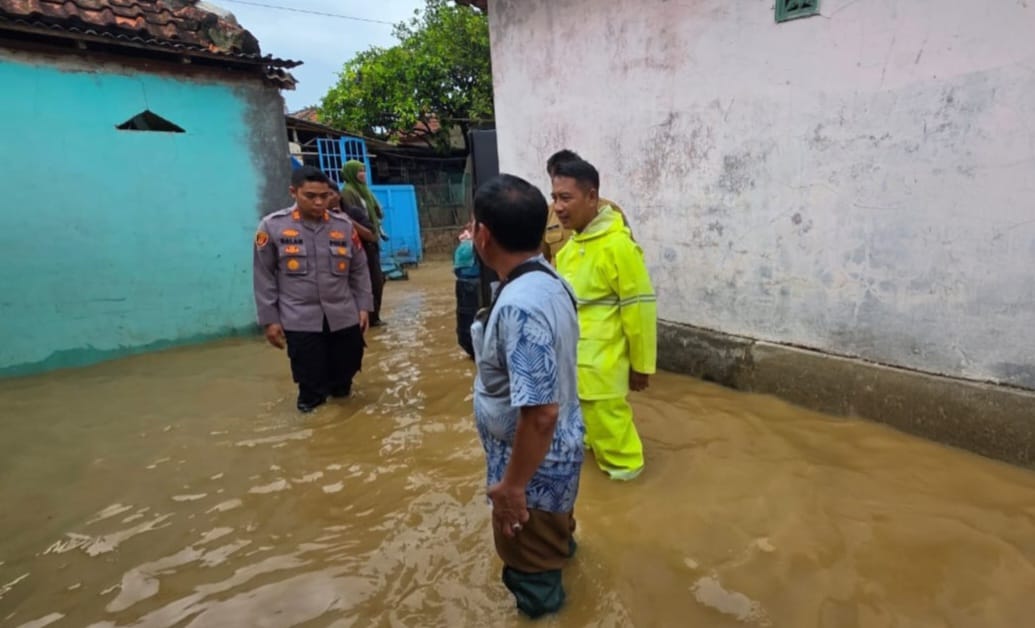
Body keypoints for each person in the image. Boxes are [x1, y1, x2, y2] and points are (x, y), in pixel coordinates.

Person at [470, 174, 584, 618]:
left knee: (531, 578)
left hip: (532, 473)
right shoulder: (551, 279)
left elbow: (540, 414)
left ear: (482, 235)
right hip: (557, 457)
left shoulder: (520, 304)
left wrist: (512, 487)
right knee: (557, 546)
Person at [552, 158, 657, 481]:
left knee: (621, 457)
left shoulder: (619, 247)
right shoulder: (568, 250)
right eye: (554, 197)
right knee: (588, 441)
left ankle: (630, 496)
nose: (557, 207)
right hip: (574, 368)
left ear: (591, 197)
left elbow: (640, 310)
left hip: (602, 369)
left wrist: (641, 365)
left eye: (565, 198)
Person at [253, 166, 373, 413]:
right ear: (293, 192)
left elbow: (359, 269)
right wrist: (270, 320)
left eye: (324, 196)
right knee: (311, 389)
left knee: (345, 382)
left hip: (343, 317)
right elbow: (263, 276)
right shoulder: (271, 227)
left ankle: (343, 426)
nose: (319, 202)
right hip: (300, 319)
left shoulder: (344, 226)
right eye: (310, 196)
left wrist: (364, 307)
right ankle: (315, 428)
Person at [541, 149, 633, 264]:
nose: (558, 208)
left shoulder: (610, 211)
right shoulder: (548, 214)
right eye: (556, 176)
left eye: (566, 197)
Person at [341, 160, 387, 327]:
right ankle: (367, 317)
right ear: (351, 173)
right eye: (359, 171)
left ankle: (374, 316)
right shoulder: (348, 192)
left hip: (372, 239)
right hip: (360, 242)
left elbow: (378, 212)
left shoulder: (365, 191)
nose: (363, 174)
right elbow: (352, 217)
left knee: (377, 279)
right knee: (369, 279)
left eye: (364, 170)